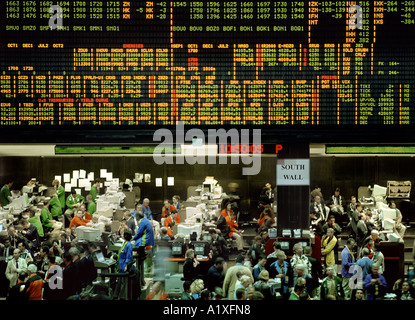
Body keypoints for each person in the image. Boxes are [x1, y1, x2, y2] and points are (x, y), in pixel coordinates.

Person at [114, 230, 134, 300]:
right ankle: (116, 296)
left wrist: (126, 265)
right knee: (119, 282)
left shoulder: (129, 245)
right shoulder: (124, 243)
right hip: (120, 267)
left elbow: (129, 257)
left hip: (124, 267)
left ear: (125, 236)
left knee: (123, 283)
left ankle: (122, 297)